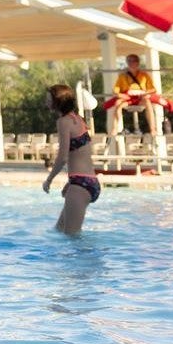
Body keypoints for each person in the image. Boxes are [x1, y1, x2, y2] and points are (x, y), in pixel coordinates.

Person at [43, 84, 99, 236]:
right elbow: (83, 153)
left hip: (80, 185)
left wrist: (49, 180)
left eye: (49, 99)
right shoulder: (78, 119)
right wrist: (71, 181)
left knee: (72, 238)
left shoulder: (63, 122)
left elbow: (62, 157)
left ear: (58, 101)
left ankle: (96, 258)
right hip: (87, 182)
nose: (46, 102)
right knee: (59, 231)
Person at [103, 53, 173, 156]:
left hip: (141, 98)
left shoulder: (144, 75)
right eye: (130, 61)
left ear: (138, 62)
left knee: (148, 103)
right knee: (118, 103)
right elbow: (115, 91)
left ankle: (152, 129)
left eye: (134, 61)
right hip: (128, 99)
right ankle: (115, 129)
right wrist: (123, 96)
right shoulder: (122, 76)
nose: (132, 63)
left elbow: (153, 89)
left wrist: (144, 93)